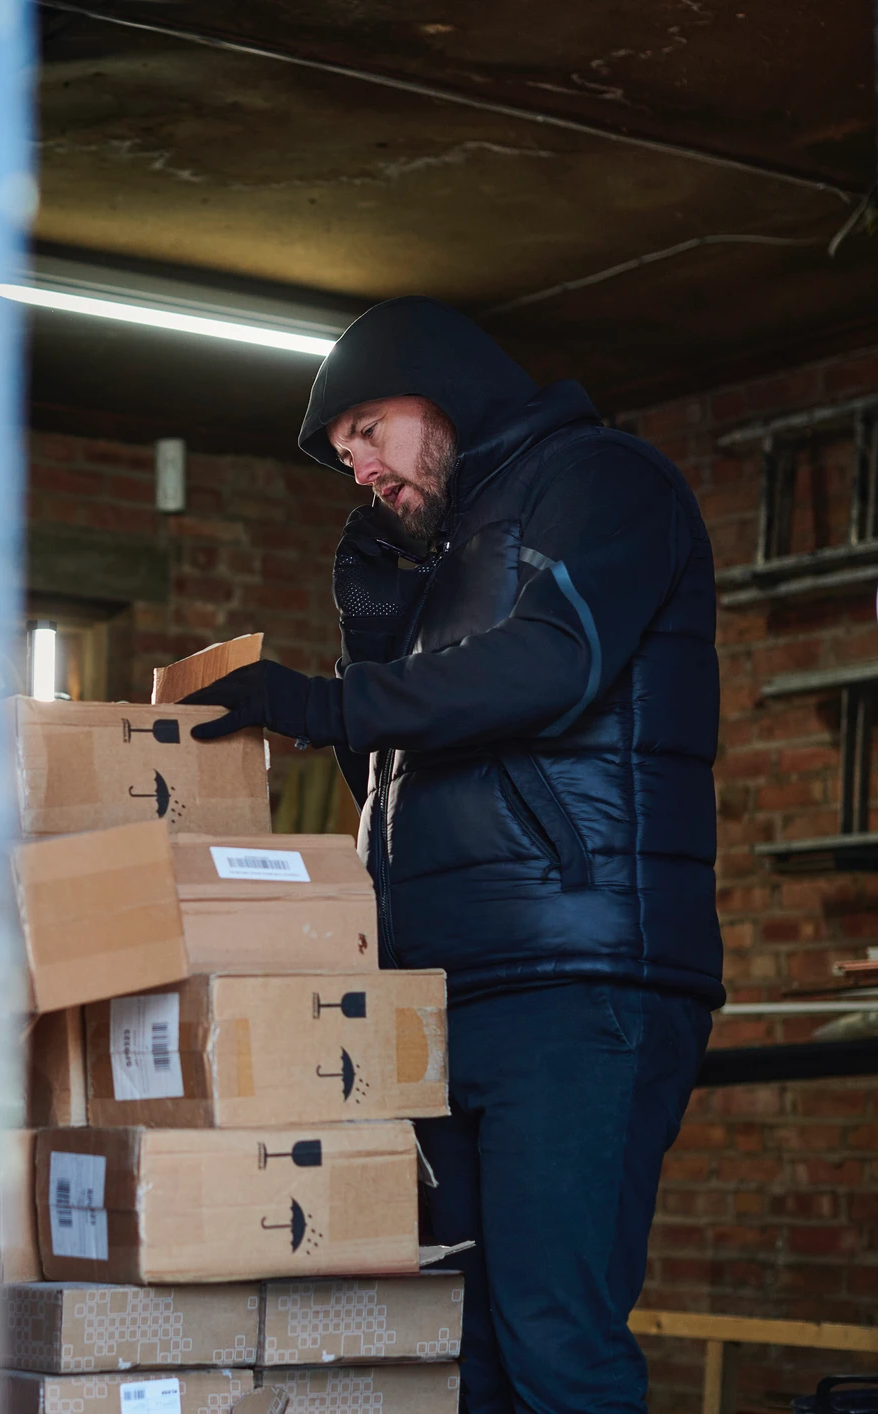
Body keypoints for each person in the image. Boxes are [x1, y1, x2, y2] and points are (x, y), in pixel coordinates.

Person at [182, 297, 724, 1414]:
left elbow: (550, 666)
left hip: (579, 976)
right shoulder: (443, 559)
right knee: (461, 1350)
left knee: (553, 1339)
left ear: (446, 394)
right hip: (442, 992)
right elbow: (409, 787)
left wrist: (332, 699)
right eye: (346, 458)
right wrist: (374, 634)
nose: (362, 469)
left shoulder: (606, 482)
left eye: (370, 432)